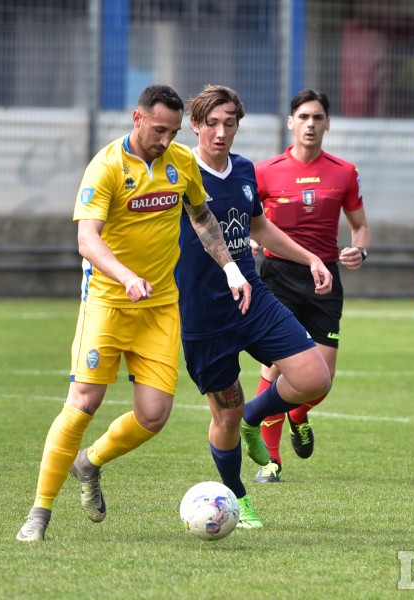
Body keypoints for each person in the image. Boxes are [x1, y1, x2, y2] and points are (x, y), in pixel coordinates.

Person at [16, 84, 251, 542]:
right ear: (137, 118)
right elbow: (87, 239)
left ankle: (90, 463)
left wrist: (232, 270)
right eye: (159, 130)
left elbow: (202, 218)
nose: (166, 140)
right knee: (84, 401)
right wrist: (125, 276)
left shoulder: (181, 163)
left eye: (174, 132)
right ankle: (39, 513)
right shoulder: (105, 167)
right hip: (107, 302)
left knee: (154, 415)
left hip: (161, 306)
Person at [178, 84, 333, 526]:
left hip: (252, 298)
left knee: (313, 377)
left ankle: (255, 417)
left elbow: (260, 228)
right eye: (212, 124)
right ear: (195, 125)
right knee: (222, 414)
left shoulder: (245, 171)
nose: (221, 133)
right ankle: (237, 497)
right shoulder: (179, 172)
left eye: (230, 123)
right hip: (204, 312)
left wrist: (310, 258)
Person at [251, 89, 371, 483]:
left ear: (328, 124)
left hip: (326, 279)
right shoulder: (266, 170)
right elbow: (252, 219)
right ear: (291, 122)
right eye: (303, 116)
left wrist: (360, 251)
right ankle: (271, 461)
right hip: (279, 276)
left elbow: (359, 227)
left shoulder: (344, 171)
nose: (310, 124)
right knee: (274, 367)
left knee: (322, 378)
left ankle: (299, 413)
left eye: (318, 117)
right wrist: (252, 239)